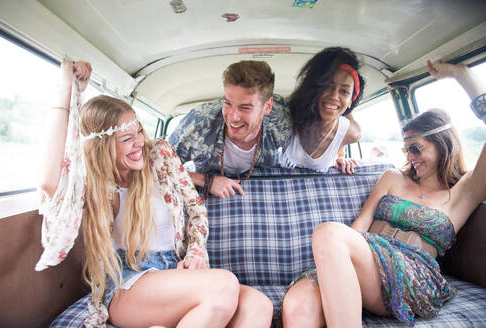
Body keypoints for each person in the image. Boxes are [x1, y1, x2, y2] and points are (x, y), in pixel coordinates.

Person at [38, 60, 272, 328]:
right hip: (128, 283)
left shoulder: (159, 154)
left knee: (259, 305)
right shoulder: (96, 185)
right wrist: (68, 91)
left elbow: (195, 208)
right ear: (102, 148)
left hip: (175, 273)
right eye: (126, 139)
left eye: (138, 130)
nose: (138, 142)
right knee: (224, 285)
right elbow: (48, 181)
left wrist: (195, 252)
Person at [280, 60, 486, 327]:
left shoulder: (463, 192)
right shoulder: (392, 177)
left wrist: (463, 76)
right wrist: (335, 263)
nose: (410, 157)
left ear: (442, 143)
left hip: (411, 275)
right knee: (300, 302)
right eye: (406, 150)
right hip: (366, 265)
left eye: (416, 148)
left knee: (328, 232)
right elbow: (361, 226)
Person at [169, 60, 290, 199]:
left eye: (245, 108)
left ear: (267, 107)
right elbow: (157, 166)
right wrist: (206, 180)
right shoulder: (198, 122)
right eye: (227, 103)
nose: (233, 117)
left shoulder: (282, 123)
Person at [280, 47, 363, 174]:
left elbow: (342, 138)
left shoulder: (352, 133)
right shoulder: (288, 115)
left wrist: (340, 157)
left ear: (352, 99)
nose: (334, 96)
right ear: (314, 88)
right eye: (327, 87)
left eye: (344, 91)